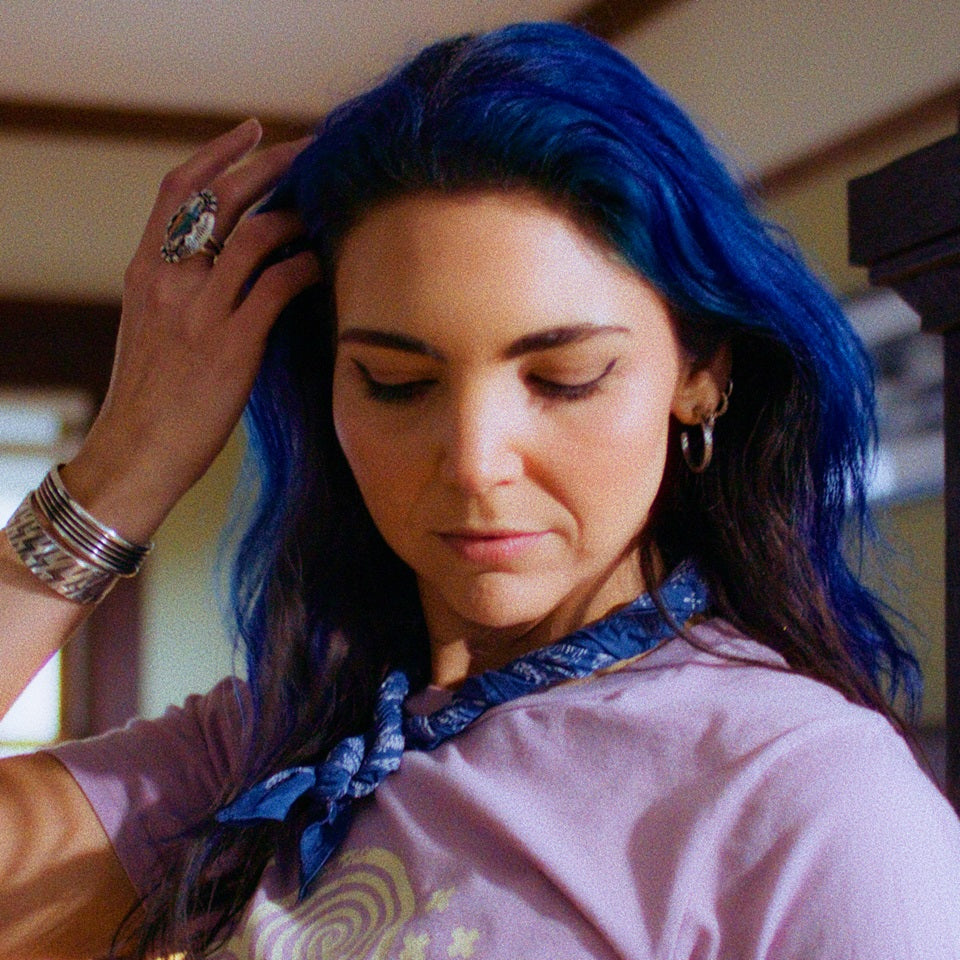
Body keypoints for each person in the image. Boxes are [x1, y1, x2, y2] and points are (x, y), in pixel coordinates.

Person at [1, 20, 958, 960]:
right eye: (397, 383)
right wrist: (124, 468)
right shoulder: (267, 754)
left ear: (701, 372)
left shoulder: (809, 800)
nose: (473, 460)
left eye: (565, 377)